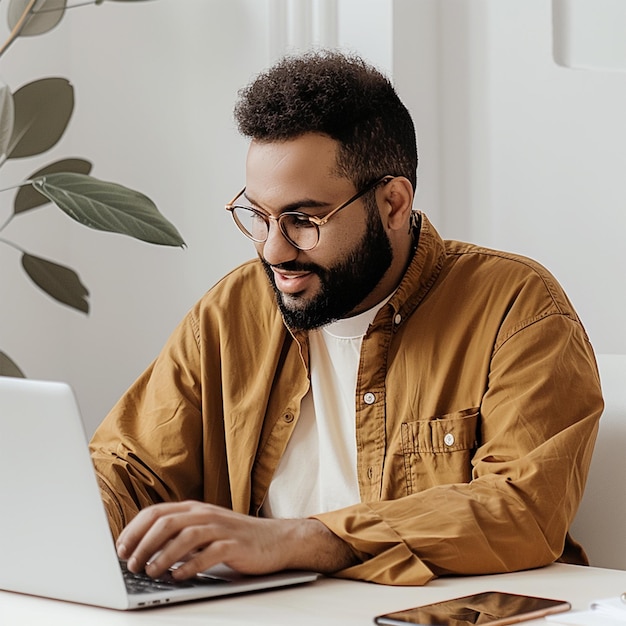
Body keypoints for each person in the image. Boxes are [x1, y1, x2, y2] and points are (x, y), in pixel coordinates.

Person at [89, 50, 603, 586]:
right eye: (258, 216)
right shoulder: (235, 309)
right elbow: (130, 469)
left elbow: (521, 510)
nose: (273, 251)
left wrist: (299, 540)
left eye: (303, 220)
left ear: (393, 204)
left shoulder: (516, 306)